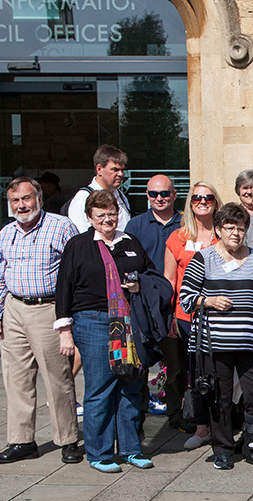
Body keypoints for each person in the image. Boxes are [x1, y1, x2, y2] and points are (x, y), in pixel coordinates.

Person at [56, 189, 158, 472]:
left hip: (128, 321)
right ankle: (99, 452)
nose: (107, 219)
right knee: (100, 387)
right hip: (93, 319)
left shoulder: (130, 242)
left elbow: (151, 274)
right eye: (100, 215)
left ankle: (130, 449)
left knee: (130, 384)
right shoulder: (78, 245)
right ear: (90, 217)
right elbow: (64, 287)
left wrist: (139, 286)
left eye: (111, 214)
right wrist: (64, 329)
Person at [0, 177, 83, 465]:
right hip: (14, 308)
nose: (21, 205)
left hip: (47, 309)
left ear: (39, 198)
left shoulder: (61, 227)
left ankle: (67, 440)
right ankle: (21, 440)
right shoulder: (5, 234)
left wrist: (68, 317)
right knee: (16, 379)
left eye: (26, 198)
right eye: (15, 200)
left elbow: (75, 272)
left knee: (58, 378)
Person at [178, 203, 253, 471]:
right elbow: (186, 299)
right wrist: (209, 301)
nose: (236, 233)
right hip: (215, 345)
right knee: (220, 397)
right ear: (219, 230)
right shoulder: (204, 258)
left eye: (241, 228)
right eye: (230, 227)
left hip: (251, 341)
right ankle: (223, 449)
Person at [163, 182, 220, 447]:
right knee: (196, 372)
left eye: (208, 197)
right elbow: (169, 281)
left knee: (220, 371)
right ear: (190, 202)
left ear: (215, 202)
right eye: (197, 197)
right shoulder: (178, 238)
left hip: (221, 315)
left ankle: (222, 424)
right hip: (187, 318)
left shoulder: (223, 235)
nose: (202, 201)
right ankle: (201, 426)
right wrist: (170, 317)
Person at [124, 174, 183, 414]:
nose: (159, 198)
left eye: (165, 193)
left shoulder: (185, 223)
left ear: (174, 195)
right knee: (140, 361)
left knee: (177, 364)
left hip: (174, 302)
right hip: (143, 305)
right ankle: (138, 414)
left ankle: (176, 414)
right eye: (153, 194)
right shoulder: (135, 225)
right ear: (147, 196)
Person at [66, 145, 131, 231]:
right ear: (99, 169)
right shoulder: (83, 198)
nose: (121, 174)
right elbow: (80, 236)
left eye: (122, 170)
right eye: (115, 170)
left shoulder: (121, 196)